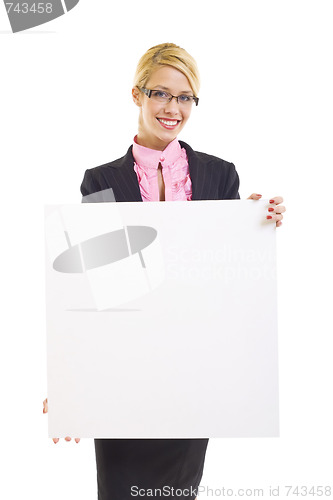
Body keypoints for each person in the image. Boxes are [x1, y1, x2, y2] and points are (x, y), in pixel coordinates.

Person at [43, 42, 286, 499]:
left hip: (191, 372)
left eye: (185, 97)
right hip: (124, 374)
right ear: (136, 94)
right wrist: (71, 383)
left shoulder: (220, 175)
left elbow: (225, 282)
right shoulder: (100, 181)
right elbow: (93, 292)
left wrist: (253, 224)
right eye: (160, 93)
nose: (173, 108)